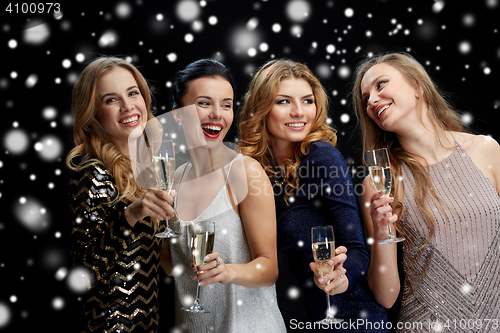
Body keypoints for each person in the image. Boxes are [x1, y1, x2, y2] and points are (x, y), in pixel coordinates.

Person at [238, 59, 389, 332]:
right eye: (284, 101)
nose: (298, 112)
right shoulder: (256, 168)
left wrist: (343, 276)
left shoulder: (321, 156)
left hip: (353, 316)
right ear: (261, 108)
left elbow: (357, 250)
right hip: (307, 316)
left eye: (307, 101)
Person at [353, 52, 500, 331]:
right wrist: (381, 231)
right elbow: (386, 295)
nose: (371, 100)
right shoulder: (380, 181)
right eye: (366, 98)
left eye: (380, 85)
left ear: (417, 85)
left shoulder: (487, 150)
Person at [160, 59, 287, 333]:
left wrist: (228, 271)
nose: (217, 114)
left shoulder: (245, 172)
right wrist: (150, 220)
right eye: (204, 103)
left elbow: (269, 269)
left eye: (226, 105)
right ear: (178, 114)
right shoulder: (174, 179)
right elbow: (171, 266)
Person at [66, 56, 175, 332]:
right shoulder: (91, 174)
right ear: (93, 114)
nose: (128, 106)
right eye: (111, 100)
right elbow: (83, 276)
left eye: (133, 93)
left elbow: (165, 266)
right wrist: (130, 215)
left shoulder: (145, 169)